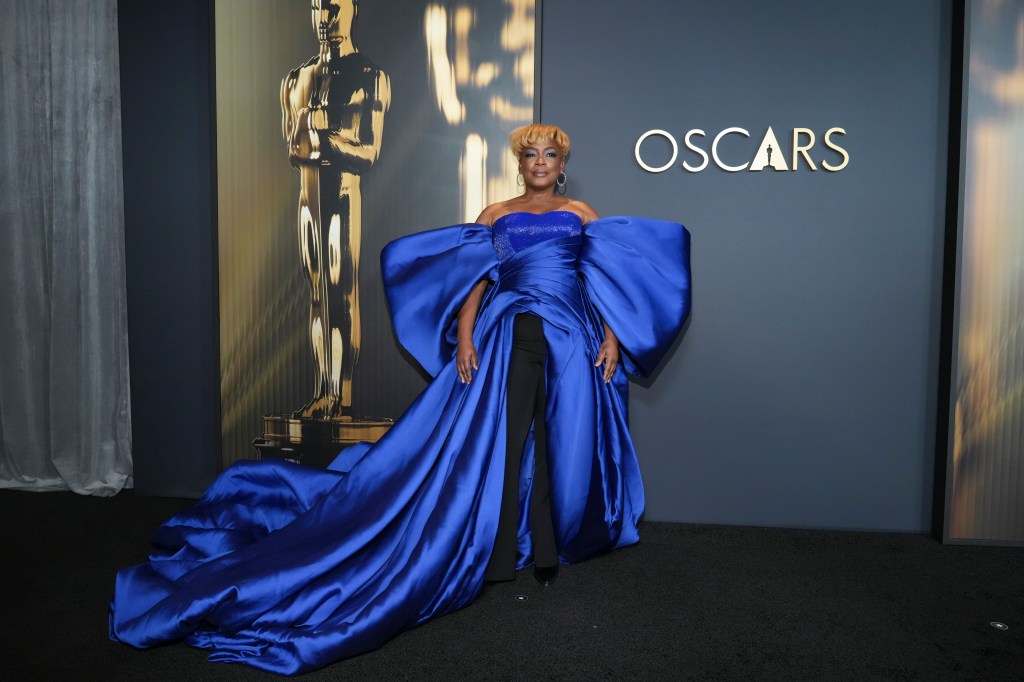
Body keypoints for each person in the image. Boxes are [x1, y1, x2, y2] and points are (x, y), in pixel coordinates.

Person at [109, 124, 691, 675]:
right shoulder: (496, 214)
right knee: (509, 442)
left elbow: (605, 281)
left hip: (572, 337)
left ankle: (544, 550)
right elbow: (476, 281)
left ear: (563, 166)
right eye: (531, 155)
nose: (540, 163)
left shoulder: (580, 215)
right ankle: (494, 556)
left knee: (558, 440)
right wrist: (465, 337)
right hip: (507, 334)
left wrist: (612, 339)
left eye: (550, 155)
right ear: (521, 164)